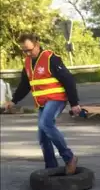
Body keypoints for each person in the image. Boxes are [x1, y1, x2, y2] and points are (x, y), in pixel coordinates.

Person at [4, 33, 80, 174]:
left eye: (29, 49)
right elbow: (25, 85)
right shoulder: (27, 63)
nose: (27, 53)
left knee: (46, 124)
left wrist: (74, 103)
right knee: (43, 136)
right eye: (24, 50)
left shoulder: (51, 58)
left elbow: (68, 80)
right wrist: (13, 101)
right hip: (42, 103)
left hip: (56, 99)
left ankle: (69, 158)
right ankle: (51, 168)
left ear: (37, 45)